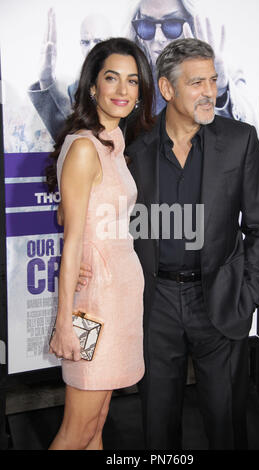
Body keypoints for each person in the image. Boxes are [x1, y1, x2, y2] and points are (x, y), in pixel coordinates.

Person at [78, 38, 259, 449]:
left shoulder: (239, 141)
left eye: (213, 81)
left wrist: (249, 295)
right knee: (157, 427)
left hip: (221, 299)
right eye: (197, 82)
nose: (210, 92)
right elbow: (95, 202)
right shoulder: (132, 145)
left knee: (226, 425)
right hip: (155, 304)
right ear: (167, 90)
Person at [46, 37, 155, 450]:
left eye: (132, 81)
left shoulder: (115, 142)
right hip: (92, 307)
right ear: (93, 86)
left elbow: (73, 213)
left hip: (120, 299)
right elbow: (72, 238)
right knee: (77, 429)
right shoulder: (85, 148)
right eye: (112, 78)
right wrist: (64, 322)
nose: (123, 91)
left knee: (97, 423)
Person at [128, 0, 256, 125]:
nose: (158, 38)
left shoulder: (224, 74)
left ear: (193, 24)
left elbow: (250, 132)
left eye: (172, 25)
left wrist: (220, 89)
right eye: (146, 25)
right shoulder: (130, 74)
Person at [28, 8, 112, 142]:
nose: (91, 48)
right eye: (85, 42)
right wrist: (46, 79)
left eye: (97, 41)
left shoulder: (130, 87)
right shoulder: (73, 90)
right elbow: (67, 137)